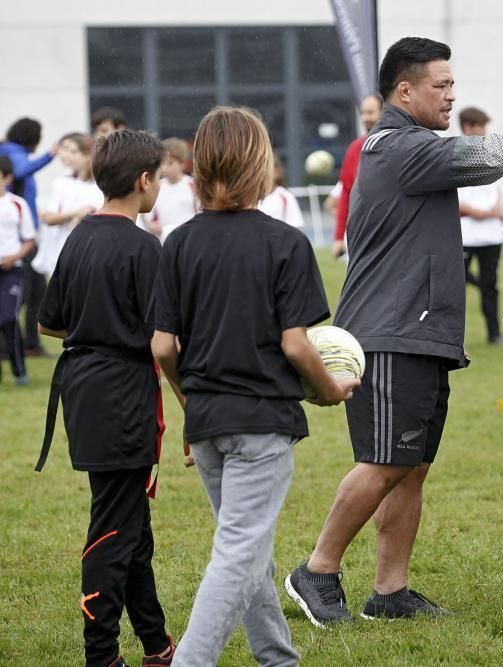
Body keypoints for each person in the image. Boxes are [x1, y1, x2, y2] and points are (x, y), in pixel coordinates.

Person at [283, 34, 503, 625]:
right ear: (404, 90)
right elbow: (491, 156)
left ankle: (390, 592)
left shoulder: (406, 146)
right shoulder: (397, 145)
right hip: (389, 334)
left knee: (410, 465)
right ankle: (316, 570)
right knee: (387, 460)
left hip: (417, 332)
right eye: (440, 85)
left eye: (452, 84)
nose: (451, 95)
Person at [151, 106, 357, 666]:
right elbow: (296, 346)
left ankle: (277, 658)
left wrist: (192, 406)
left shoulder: (178, 243)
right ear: (260, 164)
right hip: (261, 423)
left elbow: (164, 347)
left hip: (209, 423)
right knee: (239, 553)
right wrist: (330, 390)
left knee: (248, 550)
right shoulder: (285, 243)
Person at [36, 129, 174, 667]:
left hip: (85, 389)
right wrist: (192, 406)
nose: (159, 185)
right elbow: (162, 342)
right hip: (123, 397)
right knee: (114, 529)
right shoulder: (144, 246)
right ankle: (102, 657)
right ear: (144, 182)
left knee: (131, 526)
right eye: (159, 177)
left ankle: (157, 646)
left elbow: (51, 324)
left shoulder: (79, 236)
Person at [0, 117, 57, 357]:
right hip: (21, 241)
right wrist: (49, 155)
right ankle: (15, 346)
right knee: (24, 296)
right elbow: (21, 170)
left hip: (26, 236)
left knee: (35, 294)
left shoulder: (12, 152)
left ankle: (29, 344)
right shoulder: (12, 153)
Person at [458, 106, 503, 345]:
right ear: (468, 128)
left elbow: (495, 191)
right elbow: (454, 199)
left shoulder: (489, 157)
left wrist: (493, 210)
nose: (484, 132)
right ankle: (451, 337)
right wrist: (476, 212)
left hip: (491, 236)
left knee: (491, 287)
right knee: (455, 284)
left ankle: (494, 334)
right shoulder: (455, 156)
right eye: (480, 127)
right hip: (465, 236)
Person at [34, 133, 103, 278]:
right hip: (61, 251)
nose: (65, 155)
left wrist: (85, 214)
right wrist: (76, 213)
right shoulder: (61, 183)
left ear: (88, 155)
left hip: (91, 253)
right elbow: (49, 218)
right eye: (64, 149)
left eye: (73, 151)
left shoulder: (100, 185)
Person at [330, 94, 383, 258]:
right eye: (363, 113)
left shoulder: (400, 145)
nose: (365, 118)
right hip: (359, 235)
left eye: (370, 112)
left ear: (383, 113)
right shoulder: (354, 149)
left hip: (391, 234)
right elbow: (345, 194)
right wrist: (339, 237)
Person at [0, 156, 35, 385]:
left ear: (7, 178)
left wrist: (14, 257)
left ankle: (19, 372)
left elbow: (29, 240)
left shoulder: (18, 205)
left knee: (8, 318)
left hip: (12, 270)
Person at [143, 138, 198, 242]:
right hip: (164, 242)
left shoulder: (193, 186)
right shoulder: (157, 186)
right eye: (162, 163)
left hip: (188, 241)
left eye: (170, 163)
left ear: (183, 164)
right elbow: (149, 217)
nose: (164, 168)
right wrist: (151, 226)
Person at [259, 156, 305, 228]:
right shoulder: (250, 197)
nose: (265, 173)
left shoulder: (286, 197)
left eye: (269, 169)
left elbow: (295, 227)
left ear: (277, 172)